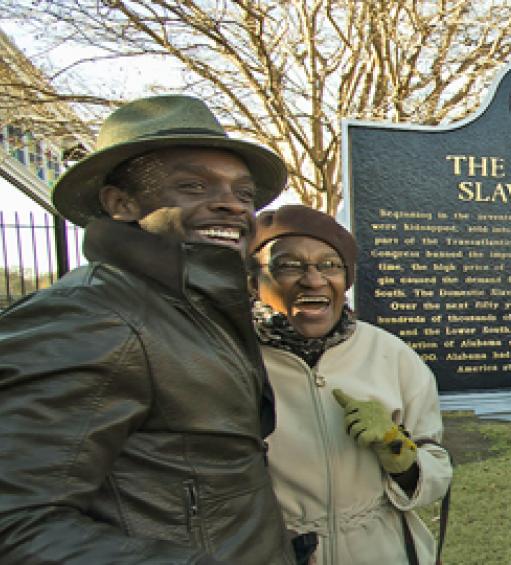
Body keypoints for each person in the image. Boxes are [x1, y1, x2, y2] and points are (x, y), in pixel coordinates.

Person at [0, 95, 295, 563]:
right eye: (194, 186)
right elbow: (17, 526)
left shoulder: (194, 309)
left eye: (244, 195)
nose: (231, 207)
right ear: (121, 203)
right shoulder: (87, 317)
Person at [249, 205, 453, 565]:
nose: (313, 280)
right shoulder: (231, 361)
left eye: (330, 265)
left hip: (382, 551)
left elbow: (436, 470)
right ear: (253, 280)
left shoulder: (392, 355)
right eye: (290, 265)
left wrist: (398, 451)